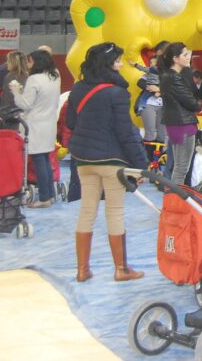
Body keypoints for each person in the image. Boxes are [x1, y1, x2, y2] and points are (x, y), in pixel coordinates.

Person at [66, 42, 148, 282]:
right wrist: (141, 164)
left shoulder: (78, 88)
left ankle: (82, 269)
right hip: (111, 160)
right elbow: (126, 132)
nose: (121, 64)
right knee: (115, 212)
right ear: (110, 64)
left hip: (83, 159)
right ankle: (121, 269)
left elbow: (71, 122)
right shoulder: (117, 93)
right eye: (119, 60)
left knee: (87, 210)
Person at [11, 49, 62, 208]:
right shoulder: (55, 76)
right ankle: (50, 195)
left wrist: (16, 92)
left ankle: (45, 198)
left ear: (36, 61)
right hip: (49, 123)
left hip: (35, 124)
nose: (27, 64)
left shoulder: (34, 79)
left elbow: (25, 104)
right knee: (46, 159)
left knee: (39, 160)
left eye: (30, 61)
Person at [158, 42, 202, 185]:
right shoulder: (174, 77)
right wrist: (197, 105)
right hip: (183, 123)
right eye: (185, 54)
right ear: (175, 58)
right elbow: (191, 102)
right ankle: (176, 198)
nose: (188, 57)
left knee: (179, 164)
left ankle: (175, 196)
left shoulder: (169, 76)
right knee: (182, 166)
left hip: (176, 123)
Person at [133, 40, 169, 153]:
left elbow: (175, 89)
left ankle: (159, 161)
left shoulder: (171, 73)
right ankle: (147, 158)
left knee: (163, 135)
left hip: (164, 106)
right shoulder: (150, 74)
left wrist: (161, 90)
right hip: (149, 104)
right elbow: (140, 82)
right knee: (151, 133)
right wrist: (151, 88)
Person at [0, 51, 28, 130]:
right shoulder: (28, 77)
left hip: (9, 117)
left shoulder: (10, 76)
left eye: (8, 61)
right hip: (24, 116)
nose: (7, 63)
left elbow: (8, 100)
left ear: (13, 62)